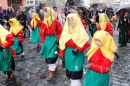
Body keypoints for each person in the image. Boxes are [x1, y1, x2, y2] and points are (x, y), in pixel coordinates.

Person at [59, 14, 90, 86]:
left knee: (76, 73)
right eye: (69, 20)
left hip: (77, 55)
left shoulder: (80, 30)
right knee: (70, 71)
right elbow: (62, 44)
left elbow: (87, 43)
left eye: (72, 20)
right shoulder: (66, 31)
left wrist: (78, 49)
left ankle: (76, 84)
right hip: (68, 54)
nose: (71, 22)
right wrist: (62, 56)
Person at [36, 7, 63, 80]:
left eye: (46, 12)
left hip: (54, 40)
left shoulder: (56, 21)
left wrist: (58, 39)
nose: (45, 13)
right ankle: (55, 66)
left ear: (50, 12)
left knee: (51, 56)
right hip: (47, 41)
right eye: (44, 12)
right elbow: (42, 33)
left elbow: (61, 31)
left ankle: (51, 72)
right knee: (48, 56)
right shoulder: (43, 22)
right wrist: (44, 40)